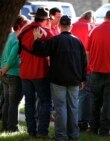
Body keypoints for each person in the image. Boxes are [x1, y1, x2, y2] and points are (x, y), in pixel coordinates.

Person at [32, 15, 87, 140]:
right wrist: (83, 79)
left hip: (58, 80)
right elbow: (84, 62)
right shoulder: (78, 41)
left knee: (60, 108)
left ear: (60, 26)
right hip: (74, 79)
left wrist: (36, 39)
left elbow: (40, 51)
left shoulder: (55, 40)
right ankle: (73, 134)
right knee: (73, 107)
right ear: (70, 26)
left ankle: (61, 135)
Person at [19, 7, 53, 138]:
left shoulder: (24, 30)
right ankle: (42, 132)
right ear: (45, 20)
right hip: (40, 72)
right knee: (45, 101)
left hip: (25, 72)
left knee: (29, 102)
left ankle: (31, 132)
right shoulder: (45, 32)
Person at [0, 15, 29, 132]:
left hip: (4, 73)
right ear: (20, 26)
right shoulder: (17, 39)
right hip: (13, 74)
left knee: (7, 101)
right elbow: (12, 58)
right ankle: (12, 127)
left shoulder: (7, 37)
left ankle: (5, 125)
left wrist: (2, 70)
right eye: (25, 26)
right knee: (14, 102)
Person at [71, 10, 95, 131]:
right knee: (86, 94)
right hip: (86, 66)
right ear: (91, 18)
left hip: (71, 65)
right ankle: (83, 122)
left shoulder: (73, 25)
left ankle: (75, 121)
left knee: (74, 95)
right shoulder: (91, 27)